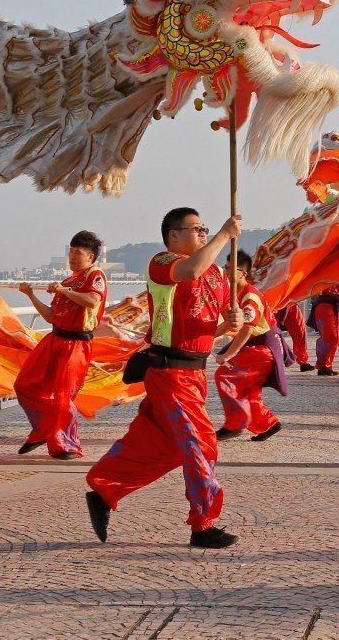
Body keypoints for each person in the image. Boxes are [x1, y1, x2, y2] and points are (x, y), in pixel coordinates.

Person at [85, 208, 243, 549]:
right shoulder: (163, 262)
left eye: (205, 229)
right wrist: (224, 235)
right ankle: (203, 524)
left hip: (194, 371)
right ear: (173, 236)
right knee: (201, 443)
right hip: (169, 372)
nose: (203, 233)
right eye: (195, 229)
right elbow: (190, 269)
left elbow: (202, 326)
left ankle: (105, 487)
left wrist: (228, 324)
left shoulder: (216, 274)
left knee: (164, 444)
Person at [14, 231, 106, 460]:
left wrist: (64, 291)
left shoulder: (95, 276)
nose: (72, 257)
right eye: (71, 252)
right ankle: (44, 428)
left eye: (78, 253)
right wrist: (30, 296)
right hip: (54, 339)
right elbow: (51, 316)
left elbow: (92, 300)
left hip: (76, 344)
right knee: (25, 384)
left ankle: (67, 445)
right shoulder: (67, 281)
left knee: (64, 396)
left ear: (91, 256)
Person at [215, 250, 292, 442]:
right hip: (255, 346)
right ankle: (268, 423)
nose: (226, 272)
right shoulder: (233, 294)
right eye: (225, 267)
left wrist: (228, 355)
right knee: (248, 388)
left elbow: (247, 329)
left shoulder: (250, 297)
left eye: (232, 269)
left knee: (225, 375)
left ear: (243, 273)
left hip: (263, 348)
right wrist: (205, 336)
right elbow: (229, 324)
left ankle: (234, 425)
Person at [310, 285, 339, 375]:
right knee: (330, 337)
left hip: (334, 305)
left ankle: (326, 365)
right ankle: (323, 365)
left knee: (335, 338)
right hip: (324, 304)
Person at [276, 304, 314, 371]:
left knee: (299, 334)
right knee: (299, 335)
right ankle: (302, 362)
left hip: (285, 304)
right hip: (285, 305)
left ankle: (302, 362)